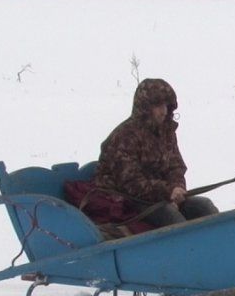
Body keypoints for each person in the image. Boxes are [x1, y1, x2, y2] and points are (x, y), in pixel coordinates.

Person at [91, 78, 218, 228]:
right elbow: (131, 183)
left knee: (205, 207)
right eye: (158, 105)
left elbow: (175, 166)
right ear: (145, 107)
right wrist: (167, 192)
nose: (164, 110)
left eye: (166, 105)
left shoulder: (166, 131)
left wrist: (177, 189)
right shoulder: (124, 137)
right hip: (126, 200)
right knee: (174, 221)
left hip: (160, 197)